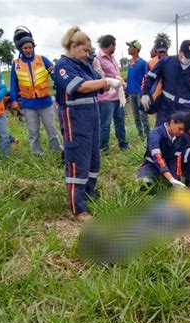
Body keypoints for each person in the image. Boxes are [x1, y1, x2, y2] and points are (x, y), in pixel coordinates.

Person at [54, 26, 122, 221]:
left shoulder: (85, 65)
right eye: (84, 50)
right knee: (78, 162)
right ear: (73, 46)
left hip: (92, 118)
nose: (87, 54)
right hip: (75, 119)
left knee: (93, 160)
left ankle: (89, 195)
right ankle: (78, 208)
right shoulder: (63, 66)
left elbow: (98, 82)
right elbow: (82, 87)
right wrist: (105, 81)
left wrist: (113, 81)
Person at [10, 26, 62, 155]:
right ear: (21, 49)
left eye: (30, 47)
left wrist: (53, 72)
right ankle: (37, 154)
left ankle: (56, 151)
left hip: (45, 102)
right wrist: (14, 100)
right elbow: (13, 84)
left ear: (33, 47)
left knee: (52, 130)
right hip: (28, 104)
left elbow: (56, 76)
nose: (28, 50)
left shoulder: (42, 59)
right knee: (33, 132)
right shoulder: (16, 64)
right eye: (25, 48)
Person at [142, 40, 190, 127]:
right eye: (186, 56)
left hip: (185, 108)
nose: (188, 60)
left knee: (183, 135)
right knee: (161, 132)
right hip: (166, 106)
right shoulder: (166, 62)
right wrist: (145, 93)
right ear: (180, 52)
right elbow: (150, 77)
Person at [137, 111, 190, 188]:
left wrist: (176, 177)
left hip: (171, 162)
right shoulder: (156, 133)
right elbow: (156, 156)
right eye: (180, 128)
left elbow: (177, 157)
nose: (182, 132)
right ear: (172, 123)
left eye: (183, 130)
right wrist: (170, 177)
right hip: (153, 164)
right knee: (144, 183)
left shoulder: (182, 136)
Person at [97, 34, 129, 152]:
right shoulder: (98, 58)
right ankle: (103, 148)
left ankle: (124, 145)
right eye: (114, 46)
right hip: (106, 98)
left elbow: (116, 74)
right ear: (111, 45)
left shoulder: (113, 58)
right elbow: (100, 77)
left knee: (120, 122)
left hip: (118, 96)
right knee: (105, 125)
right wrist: (115, 79)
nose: (115, 48)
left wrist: (120, 80)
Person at [126, 40, 150, 138]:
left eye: (130, 46)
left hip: (140, 92)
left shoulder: (143, 63)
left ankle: (148, 134)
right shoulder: (129, 63)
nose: (128, 48)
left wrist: (145, 91)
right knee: (136, 116)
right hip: (131, 93)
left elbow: (146, 77)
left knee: (143, 115)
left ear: (136, 49)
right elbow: (130, 76)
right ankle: (141, 134)